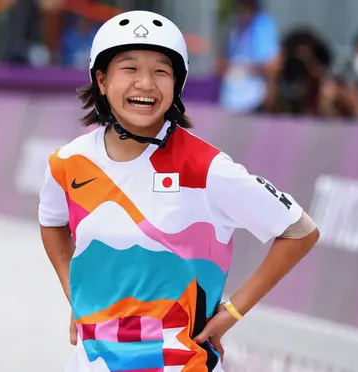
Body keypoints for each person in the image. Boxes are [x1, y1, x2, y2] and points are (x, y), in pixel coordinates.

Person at [38, 10, 319, 372]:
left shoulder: (206, 167)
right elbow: (52, 222)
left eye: (160, 71)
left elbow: (299, 231)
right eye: (129, 68)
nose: (145, 83)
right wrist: (74, 295)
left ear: (177, 84)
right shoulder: (67, 163)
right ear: (102, 80)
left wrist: (232, 313)